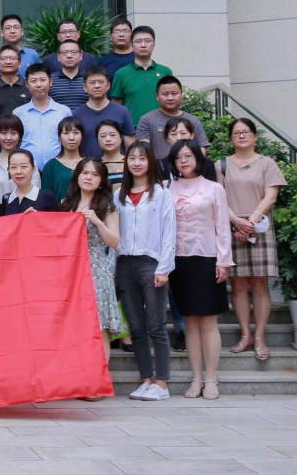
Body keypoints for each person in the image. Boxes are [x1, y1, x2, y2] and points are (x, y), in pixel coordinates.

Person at [167, 139, 234, 400]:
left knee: (208, 321)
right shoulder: (167, 187)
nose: (183, 161)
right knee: (190, 323)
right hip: (178, 260)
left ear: (198, 157)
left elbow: (222, 226)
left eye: (188, 156)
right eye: (178, 158)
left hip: (207, 259)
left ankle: (212, 379)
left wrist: (223, 261)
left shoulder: (214, 188)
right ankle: (196, 379)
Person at [114, 141, 176, 402]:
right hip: (125, 265)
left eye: (142, 158)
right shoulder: (119, 195)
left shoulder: (161, 193)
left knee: (156, 325)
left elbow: (169, 232)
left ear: (151, 162)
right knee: (136, 327)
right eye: (132, 158)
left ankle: (161, 383)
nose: (136, 163)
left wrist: (164, 268)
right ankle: (146, 380)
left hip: (151, 263)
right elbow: (114, 234)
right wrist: (113, 268)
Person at [221, 118, 287, 362]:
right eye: (236, 132)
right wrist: (236, 223)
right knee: (237, 284)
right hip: (231, 227)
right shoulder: (221, 165)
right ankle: (245, 335)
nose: (241, 135)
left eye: (246, 132)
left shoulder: (267, 163)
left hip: (259, 227)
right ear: (231, 138)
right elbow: (218, 197)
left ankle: (260, 337)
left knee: (260, 283)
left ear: (255, 136)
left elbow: (271, 197)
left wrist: (250, 222)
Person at [59, 158, 122, 375]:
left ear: (102, 180)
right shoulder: (66, 203)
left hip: (96, 267)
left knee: (98, 325)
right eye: (85, 173)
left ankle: (99, 379)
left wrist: (97, 220)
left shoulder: (106, 206)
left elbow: (115, 242)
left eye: (95, 174)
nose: (89, 178)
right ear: (77, 175)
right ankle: (79, 377)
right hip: (70, 269)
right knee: (74, 326)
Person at [136, 75, 209, 161]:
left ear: (181, 94)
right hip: (157, 167)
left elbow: (202, 148)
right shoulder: (147, 119)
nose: (170, 98)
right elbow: (143, 149)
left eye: (174, 93)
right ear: (157, 96)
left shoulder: (193, 120)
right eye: (165, 94)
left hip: (187, 167)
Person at [13, 63, 72, 169]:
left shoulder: (64, 111)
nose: (38, 85)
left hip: (58, 168)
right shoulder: (18, 113)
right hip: (28, 170)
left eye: (42, 80)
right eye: (33, 81)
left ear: (50, 82)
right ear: (27, 84)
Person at [110, 26, 173, 125]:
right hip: (132, 128)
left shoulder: (165, 72)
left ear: (153, 45)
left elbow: (172, 101)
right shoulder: (121, 74)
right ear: (131, 45)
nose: (143, 45)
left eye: (147, 41)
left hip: (162, 126)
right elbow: (116, 106)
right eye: (138, 41)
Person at [73, 65, 136, 158]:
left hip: (117, 165)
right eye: (92, 82)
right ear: (85, 87)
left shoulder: (122, 112)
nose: (97, 86)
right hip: (87, 165)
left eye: (101, 82)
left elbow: (130, 147)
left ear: (108, 86)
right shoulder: (76, 114)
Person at [0, 114, 43, 201]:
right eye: (3, 133)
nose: (8, 138)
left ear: (20, 136)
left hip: (26, 207)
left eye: (13, 133)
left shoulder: (29, 162)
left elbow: (36, 189)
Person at [41, 116, 86, 202]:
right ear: (59, 136)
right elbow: (46, 199)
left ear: (82, 136)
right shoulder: (51, 166)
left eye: (76, 132)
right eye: (66, 133)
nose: (71, 137)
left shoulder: (90, 164)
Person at [0, 149, 57, 215]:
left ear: (33, 169)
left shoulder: (46, 196)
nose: (18, 171)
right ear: (8, 170)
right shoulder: (6, 199)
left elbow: (56, 220)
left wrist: (36, 217)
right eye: (13, 167)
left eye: (23, 166)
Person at [46, 39, 91, 110]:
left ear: (81, 56)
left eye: (74, 52)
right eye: (64, 52)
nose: (69, 56)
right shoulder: (49, 80)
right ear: (58, 57)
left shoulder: (90, 79)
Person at [0, 45, 33, 117]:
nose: (8, 62)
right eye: (3, 59)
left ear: (19, 63)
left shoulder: (29, 87)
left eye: (12, 58)